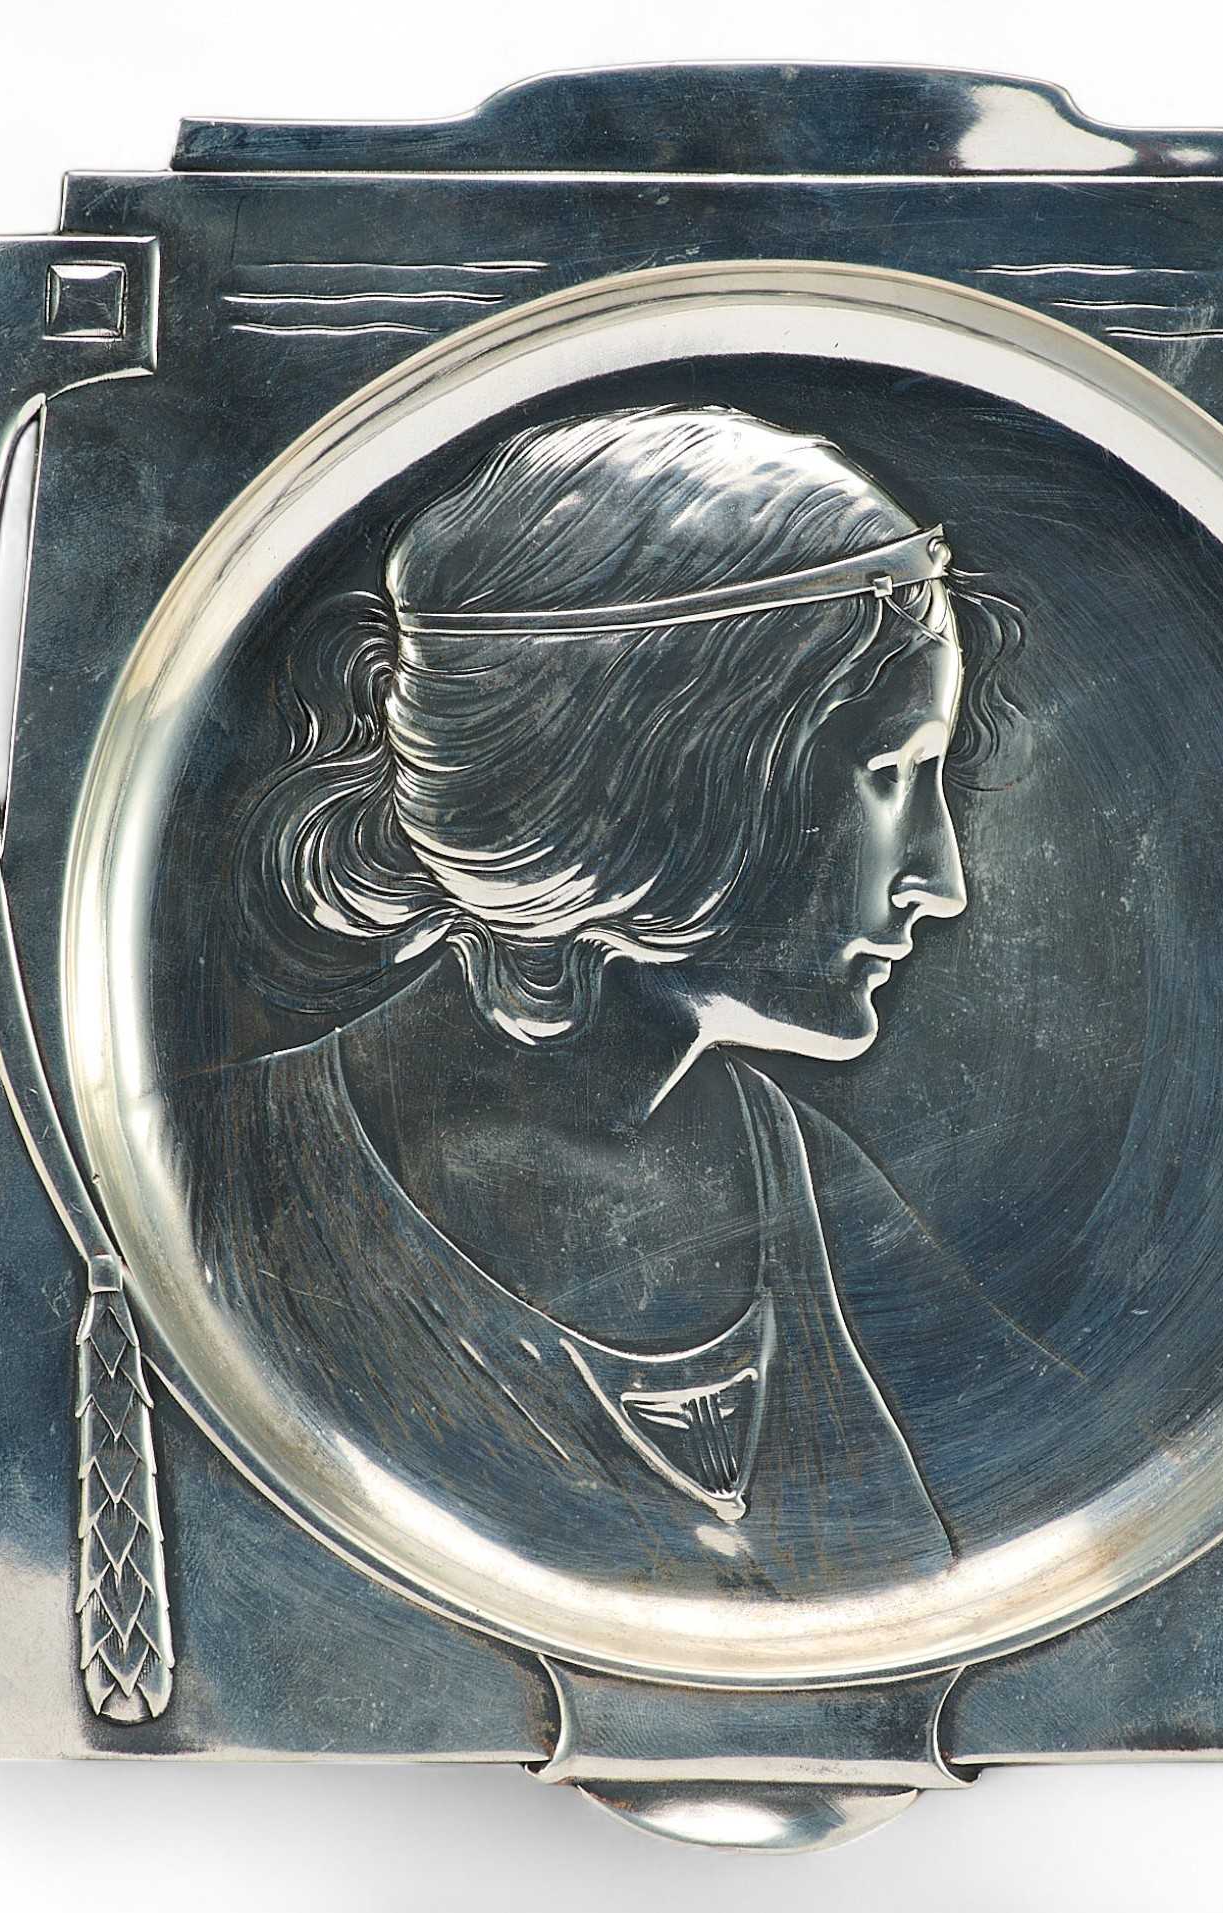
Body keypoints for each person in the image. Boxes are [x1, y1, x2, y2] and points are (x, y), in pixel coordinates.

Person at [182, 404, 1046, 1600]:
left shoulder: (817, 1186)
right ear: (661, 785)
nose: (940, 881)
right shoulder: (212, 1191)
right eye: (891, 774)